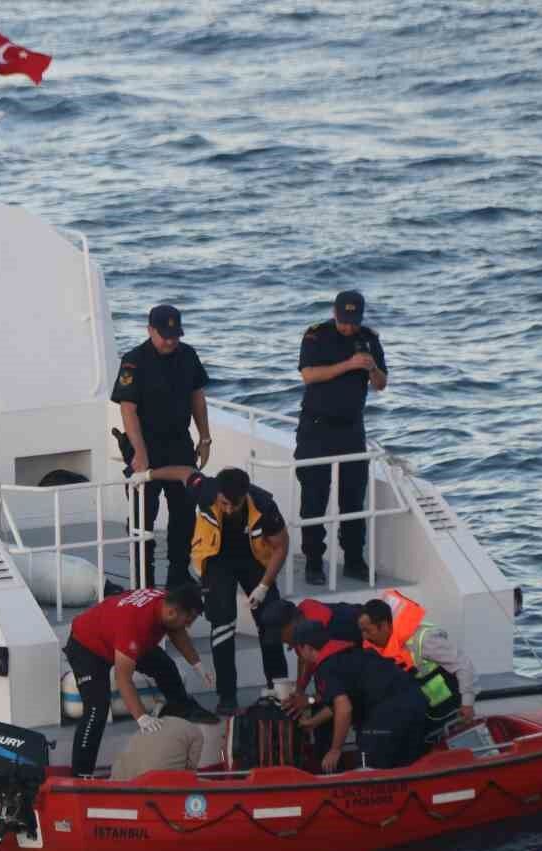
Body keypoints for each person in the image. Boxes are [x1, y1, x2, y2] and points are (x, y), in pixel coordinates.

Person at [145, 465, 290, 711]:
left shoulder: (264, 506)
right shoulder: (206, 489)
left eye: (235, 505)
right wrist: (148, 475)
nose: (229, 509)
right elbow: (184, 472)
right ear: (217, 493)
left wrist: (264, 586)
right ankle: (227, 696)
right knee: (222, 623)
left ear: (245, 494)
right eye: (224, 504)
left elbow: (281, 546)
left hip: (254, 559)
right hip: (217, 559)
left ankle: (278, 689)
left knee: (270, 619)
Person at [112, 304, 211, 588]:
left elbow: (197, 397)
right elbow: (128, 409)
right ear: (150, 330)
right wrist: (140, 452)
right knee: (143, 516)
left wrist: (205, 437)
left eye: (175, 335)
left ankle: (179, 575)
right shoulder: (134, 361)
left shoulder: (188, 355)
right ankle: (143, 578)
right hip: (145, 444)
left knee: (184, 512)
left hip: (179, 443)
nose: (170, 341)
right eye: (165, 336)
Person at [65, 583, 209, 776]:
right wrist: (142, 717)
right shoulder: (135, 626)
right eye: (188, 620)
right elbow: (123, 678)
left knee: (165, 667)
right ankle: (81, 775)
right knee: (96, 709)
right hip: (87, 646)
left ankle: (180, 709)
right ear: (172, 612)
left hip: (115, 632)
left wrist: (196, 663)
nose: (189, 626)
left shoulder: (167, 603)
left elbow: (177, 630)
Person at [295, 290, 388, 585]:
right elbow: (309, 375)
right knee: (314, 497)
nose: (349, 327)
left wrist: (371, 367)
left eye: (354, 321)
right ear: (335, 314)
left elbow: (381, 384)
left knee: (353, 498)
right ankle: (313, 561)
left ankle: (354, 560)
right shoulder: (316, 336)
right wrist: (348, 365)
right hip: (317, 428)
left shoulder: (369, 339)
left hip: (351, 429)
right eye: (344, 321)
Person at [290, 621, 427, 772]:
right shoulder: (348, 653)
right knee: (406, 767)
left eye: (297, 650)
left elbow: (344, 708)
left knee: (366, 765)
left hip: (390, 714)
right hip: (416, 703)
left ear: (306, 648)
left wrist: (335, 749)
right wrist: (313, 722)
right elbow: (339, 703)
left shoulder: (327, 666)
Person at [357, 594, 477, 740]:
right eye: (362, 631)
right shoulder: (377, 647)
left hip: (448, 709)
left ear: (384, 626)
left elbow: (463, 665)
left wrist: (467, 704)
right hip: (420, 711)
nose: (364, 637)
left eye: (368, 631)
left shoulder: (424, 640)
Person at [256, 597, 362, 712]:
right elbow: (304, 659)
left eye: (280, 636)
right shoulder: (305, 625)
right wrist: (299, 692)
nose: (282, 641)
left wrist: (309, 700)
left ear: (293, 623)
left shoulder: (332, 642)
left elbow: (339, 696)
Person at [109, 714, 205, 781]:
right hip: (158, 787)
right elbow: (190, 772)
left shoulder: (144, 729)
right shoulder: (193, 731)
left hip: (119, 782)